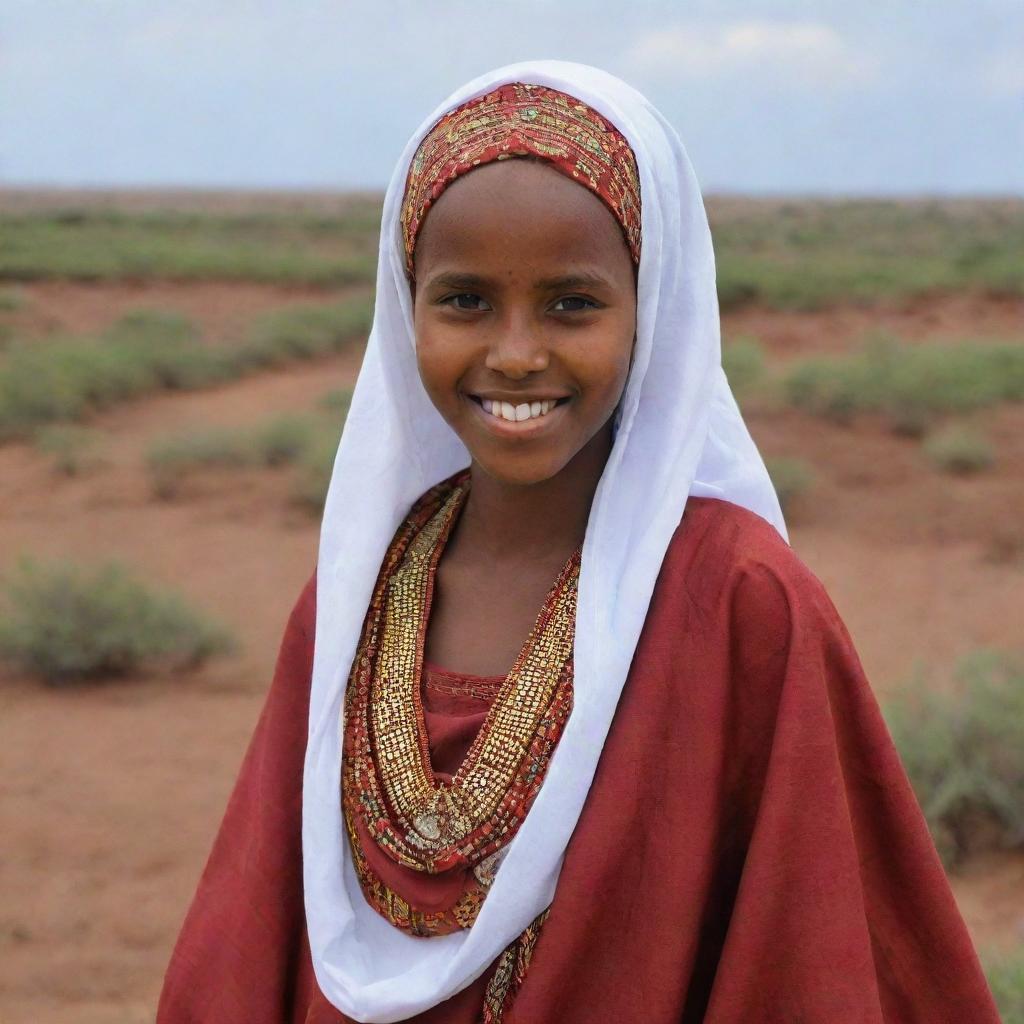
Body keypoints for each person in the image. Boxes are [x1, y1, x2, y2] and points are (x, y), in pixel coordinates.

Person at [157, 61, 1001, 1024]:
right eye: (465, 300)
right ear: (404, 310)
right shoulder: (353, 598)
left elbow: (805, 947)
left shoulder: (738, 601)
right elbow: (250, 930)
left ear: (652, 316)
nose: (516, 353)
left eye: (573, 304)